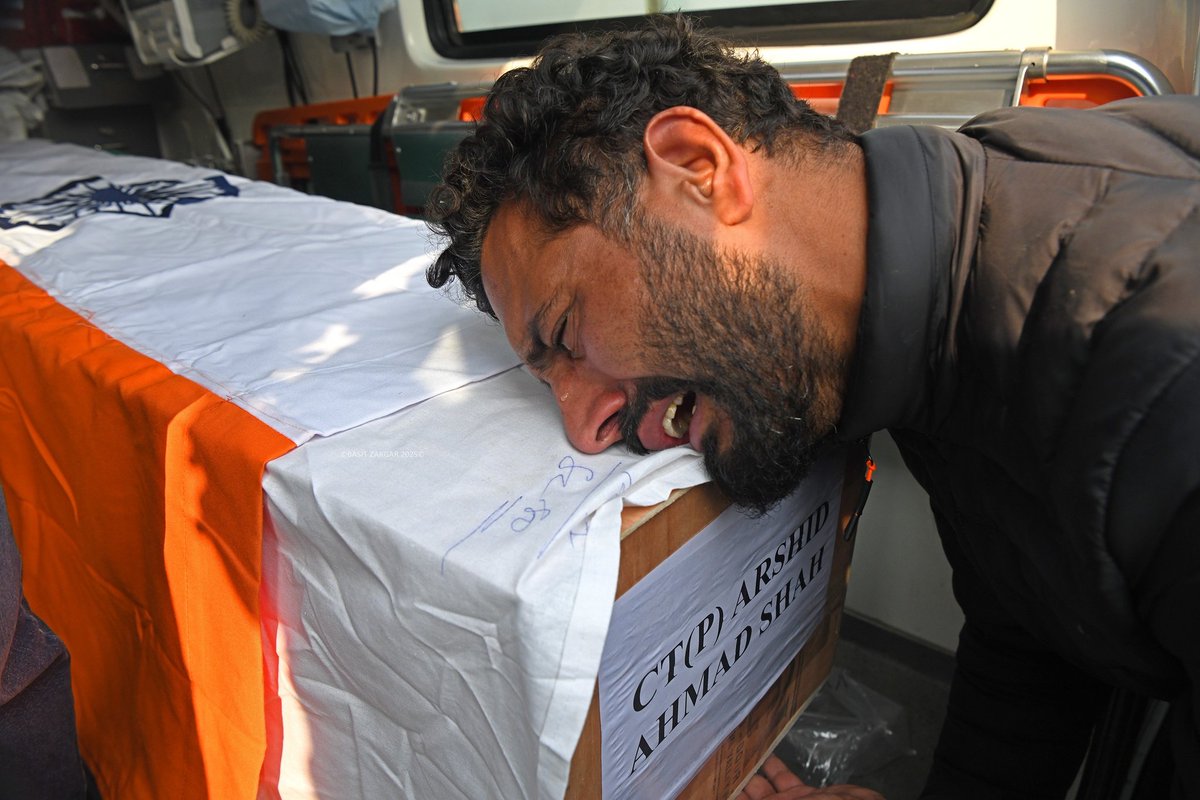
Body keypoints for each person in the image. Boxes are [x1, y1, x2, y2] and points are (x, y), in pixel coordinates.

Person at [425, 15, 1200, 799]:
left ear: (701, 168)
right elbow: (1027, 626)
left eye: (564, 331)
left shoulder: (1164, 386)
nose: (584, 428)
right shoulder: (945, 242)